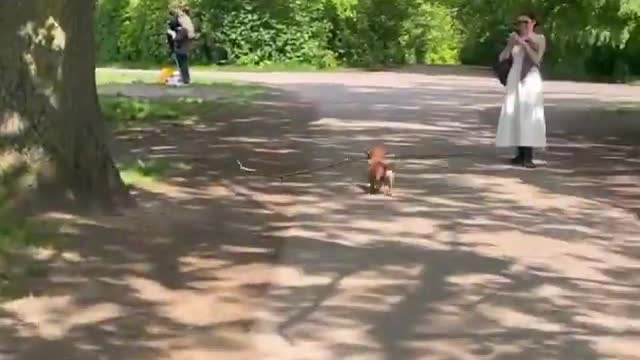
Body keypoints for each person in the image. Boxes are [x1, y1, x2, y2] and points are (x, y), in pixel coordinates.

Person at [495, 12, 547, 168]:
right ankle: (519, 153)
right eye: (519, 23)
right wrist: (511, 45)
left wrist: (524, 44)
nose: (522, 26)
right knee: (515, 113)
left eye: (526, 22)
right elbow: (502, 58)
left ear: (533, 23)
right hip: (514, 78)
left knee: (529, 115)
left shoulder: (539, 39)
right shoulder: (514, 38)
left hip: (530, 79)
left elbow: (537, 60)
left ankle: (528, 156)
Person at [166, 5, 195, 85]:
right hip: (184, 44)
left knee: (182, 63)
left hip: (181, 45)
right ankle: (185, 79)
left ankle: (184, 79)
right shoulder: (185, 22)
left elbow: (177, 38)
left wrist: (172, 34)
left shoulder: (182, 25)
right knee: (183, 63)